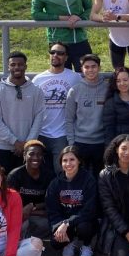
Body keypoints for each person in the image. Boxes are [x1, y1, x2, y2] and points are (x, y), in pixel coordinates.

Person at [30, 0, 93, 71]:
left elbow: (91, 8)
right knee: (62, 78)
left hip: (80, 39)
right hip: (57, 41)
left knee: (86, 75)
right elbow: (36, 13)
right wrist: (60, 18)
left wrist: (80, 18)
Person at [0, 51, 45, 175]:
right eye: (13, 65)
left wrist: (27, 144)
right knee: (4, 186)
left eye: (20, 64)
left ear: (26, 66)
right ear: (8, 67)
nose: (17, 67)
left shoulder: (37, 91)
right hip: (4, 148)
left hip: (29, 150)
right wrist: (15, 142)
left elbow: (39, 118)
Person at [33, 42, 82, 173]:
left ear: (66, 57)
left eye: (60, 53)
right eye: (52, 52)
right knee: (40, 172)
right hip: (41, 133)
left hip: (62, 134)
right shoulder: (38, 79)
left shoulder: (75, 78)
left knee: (60, 172)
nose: (55, 55)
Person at [45, 145, 100, 256]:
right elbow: (52, 210)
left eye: (72, 159)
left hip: (84, 221)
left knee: (84, 228)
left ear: (79, 161)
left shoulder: (89, 180)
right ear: (60, 163)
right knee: (55, 243)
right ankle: (70, 242)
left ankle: (86, 245)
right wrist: (58, 226)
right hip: (64, 223)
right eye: (65, 160)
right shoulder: (55, 183)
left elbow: (89, 210)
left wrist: (67, 223)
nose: (68, 164)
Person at [64, 53, 107, 177]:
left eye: (93, 66)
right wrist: (72, 143)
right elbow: (69, 119)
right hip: (80, 142)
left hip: (101, 142)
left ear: (99, 68)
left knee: (100, 177)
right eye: (86, 67)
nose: (90, 70)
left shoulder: (107, 88)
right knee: (81, 177)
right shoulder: (74, 90)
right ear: (81, 69)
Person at [7, 139, 54, 241]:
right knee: (20, 225)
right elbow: (8, 204)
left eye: (39, 154)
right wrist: (23, 211)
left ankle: (29, 240)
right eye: (31, 154)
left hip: (38, 214)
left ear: (43, 157)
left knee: (49, 225)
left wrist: (31, 207)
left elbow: (51, 203)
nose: (35, 157)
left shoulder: (49, 176)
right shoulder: (14, 175)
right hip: (18, 215)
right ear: (24, 155)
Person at [102, 66, 129, 143]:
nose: (122, 83)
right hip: (122, 145)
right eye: (118, 81)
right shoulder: (111, 103)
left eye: (125, 80)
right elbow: (109, 130)